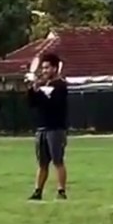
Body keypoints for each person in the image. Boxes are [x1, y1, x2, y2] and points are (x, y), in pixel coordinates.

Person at [27, 52, 68, 201]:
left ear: (55, 68)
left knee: (58, 161)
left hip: (56, 129)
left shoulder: (60, 85)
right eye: (43, 68)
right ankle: (38, 191)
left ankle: (61, 191)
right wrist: (33, 89)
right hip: (42, 128)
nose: (44, 71)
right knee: (42, 163)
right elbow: (33, 104)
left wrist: (42, 92)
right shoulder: (45, 84)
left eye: (47, 68)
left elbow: (54, 104)